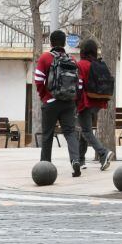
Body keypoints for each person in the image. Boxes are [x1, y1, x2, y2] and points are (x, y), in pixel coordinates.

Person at [34, 30, 82, 177]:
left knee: (48, 134)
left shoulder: (45, 58)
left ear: (51, 42)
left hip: (51, 102)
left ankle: (45, 166)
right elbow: (78, 84)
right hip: (68, 103)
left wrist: (44, 96)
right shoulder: (72, 59)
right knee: (69, 132)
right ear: (64, 43)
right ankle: (75, 160)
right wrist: (73, 100)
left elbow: (38, 79)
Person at [76, 38, 114, 171]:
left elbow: (79, 85)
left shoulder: (81, 65)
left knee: (86, 130)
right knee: (85, 130)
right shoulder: (98, 64)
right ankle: (81, 160)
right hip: (97, 102)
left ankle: (103, 153)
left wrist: (75, 102)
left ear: (83, 51)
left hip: (85, 102)